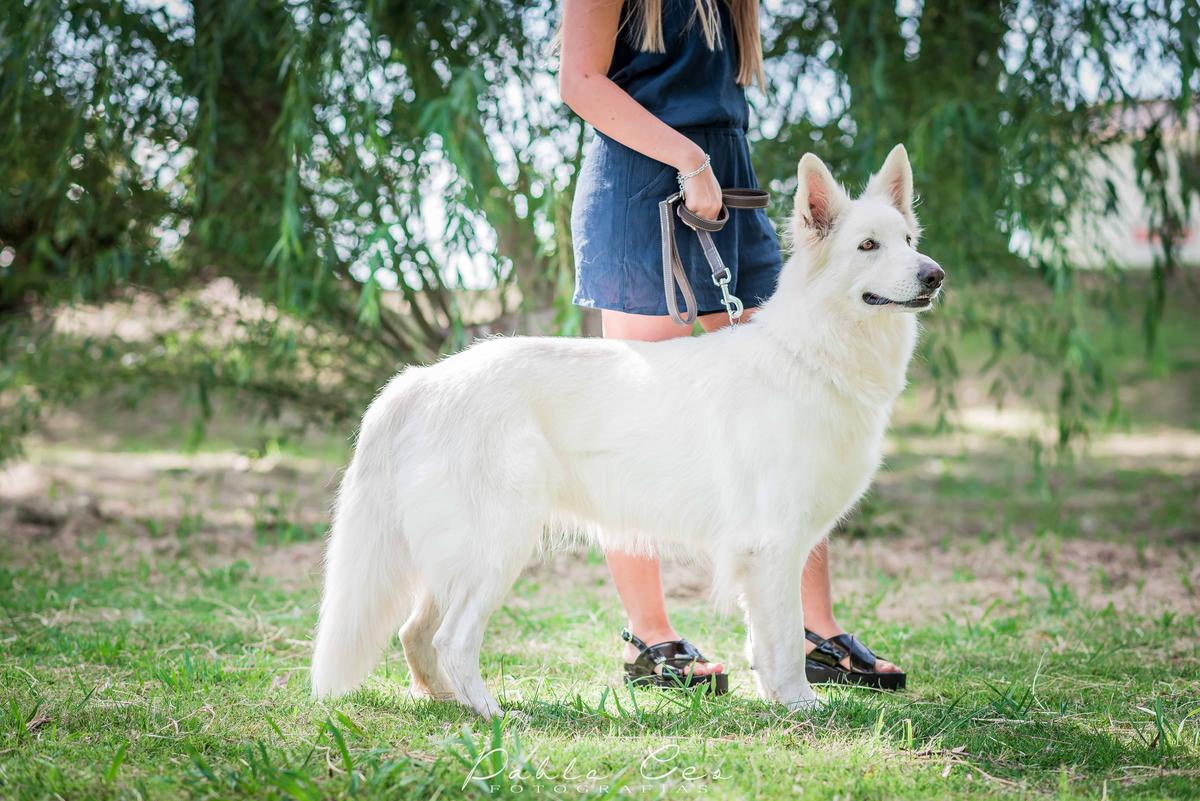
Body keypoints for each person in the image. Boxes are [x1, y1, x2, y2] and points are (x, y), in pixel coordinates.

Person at [557, 0, 907, 692]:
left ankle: (810, 630)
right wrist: (688, 159)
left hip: (728, 181)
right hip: (643, 181)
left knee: (789, 416)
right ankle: (650, 639)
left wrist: (710, 162)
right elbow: (580, 82)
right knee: (637, 421)